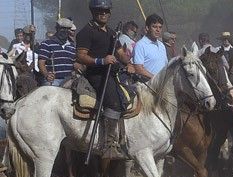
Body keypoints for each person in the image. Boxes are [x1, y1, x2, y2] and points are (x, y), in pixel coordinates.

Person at [76, 0, 131, 159]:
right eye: (100, 11)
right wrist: (101, 61)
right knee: (113, 101)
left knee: (129, 96)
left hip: (113, 73)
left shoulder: (112, 33)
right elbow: (80, 56)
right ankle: (109, 144)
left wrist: (127, 61)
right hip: (96, 74)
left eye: (107, 11)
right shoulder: (86, 32)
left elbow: (120, 52)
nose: (104, 13)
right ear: (93, 12)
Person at [36, 18, 77, 86]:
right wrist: (47, 75)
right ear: (57, 28)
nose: (65, 31)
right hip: (53, 80)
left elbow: (75, 63)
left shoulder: (72, 46)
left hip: (69, 80)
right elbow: (41, 63)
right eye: (62, 28)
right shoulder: (46, 44)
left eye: (67, 29)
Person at [132, 14, 168, 80]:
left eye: (160, 27)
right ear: (147, 28)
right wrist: (155, 79)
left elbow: (166, 66)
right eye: (154, 27)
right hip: (146, 86)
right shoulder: (140, 45)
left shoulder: (162, 45)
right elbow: (138, 69)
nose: (158, 30)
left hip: (161, 86)